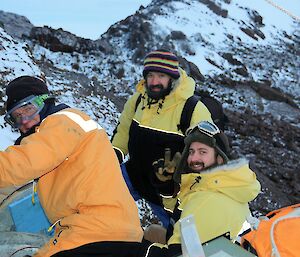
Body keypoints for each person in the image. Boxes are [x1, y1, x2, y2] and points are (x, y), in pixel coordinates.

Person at [0, 76, 143, 257]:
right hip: (110, 229)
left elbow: (19, 165)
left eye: (29, 108)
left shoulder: (62, 122)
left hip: (94, 230)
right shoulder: (62, 130)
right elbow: (16, 182)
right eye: (17, 117)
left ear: (45, 101)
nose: (25, 120)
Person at [111, 50, 212, 227]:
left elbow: (206, 159)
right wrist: (113, 157)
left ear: (172, 78)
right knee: (98, 199)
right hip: (134, 175)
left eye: (161, 76)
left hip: (168, 192)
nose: (154, 82)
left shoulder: (193, 109)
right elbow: (123, 133)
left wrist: (178, 183)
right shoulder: (137, 101)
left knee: (179, 239)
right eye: (150, 75)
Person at [142, 121, 261, 256]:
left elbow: (176, 254)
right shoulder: (221, 183)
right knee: (153, 232)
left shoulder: (207, 199)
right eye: (191, 152)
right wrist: (166, 188)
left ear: (220, 158)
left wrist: (140, 250)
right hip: (219, 251)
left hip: (193, 252)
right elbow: (180, 214)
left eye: (202, 152)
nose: (194, 158)